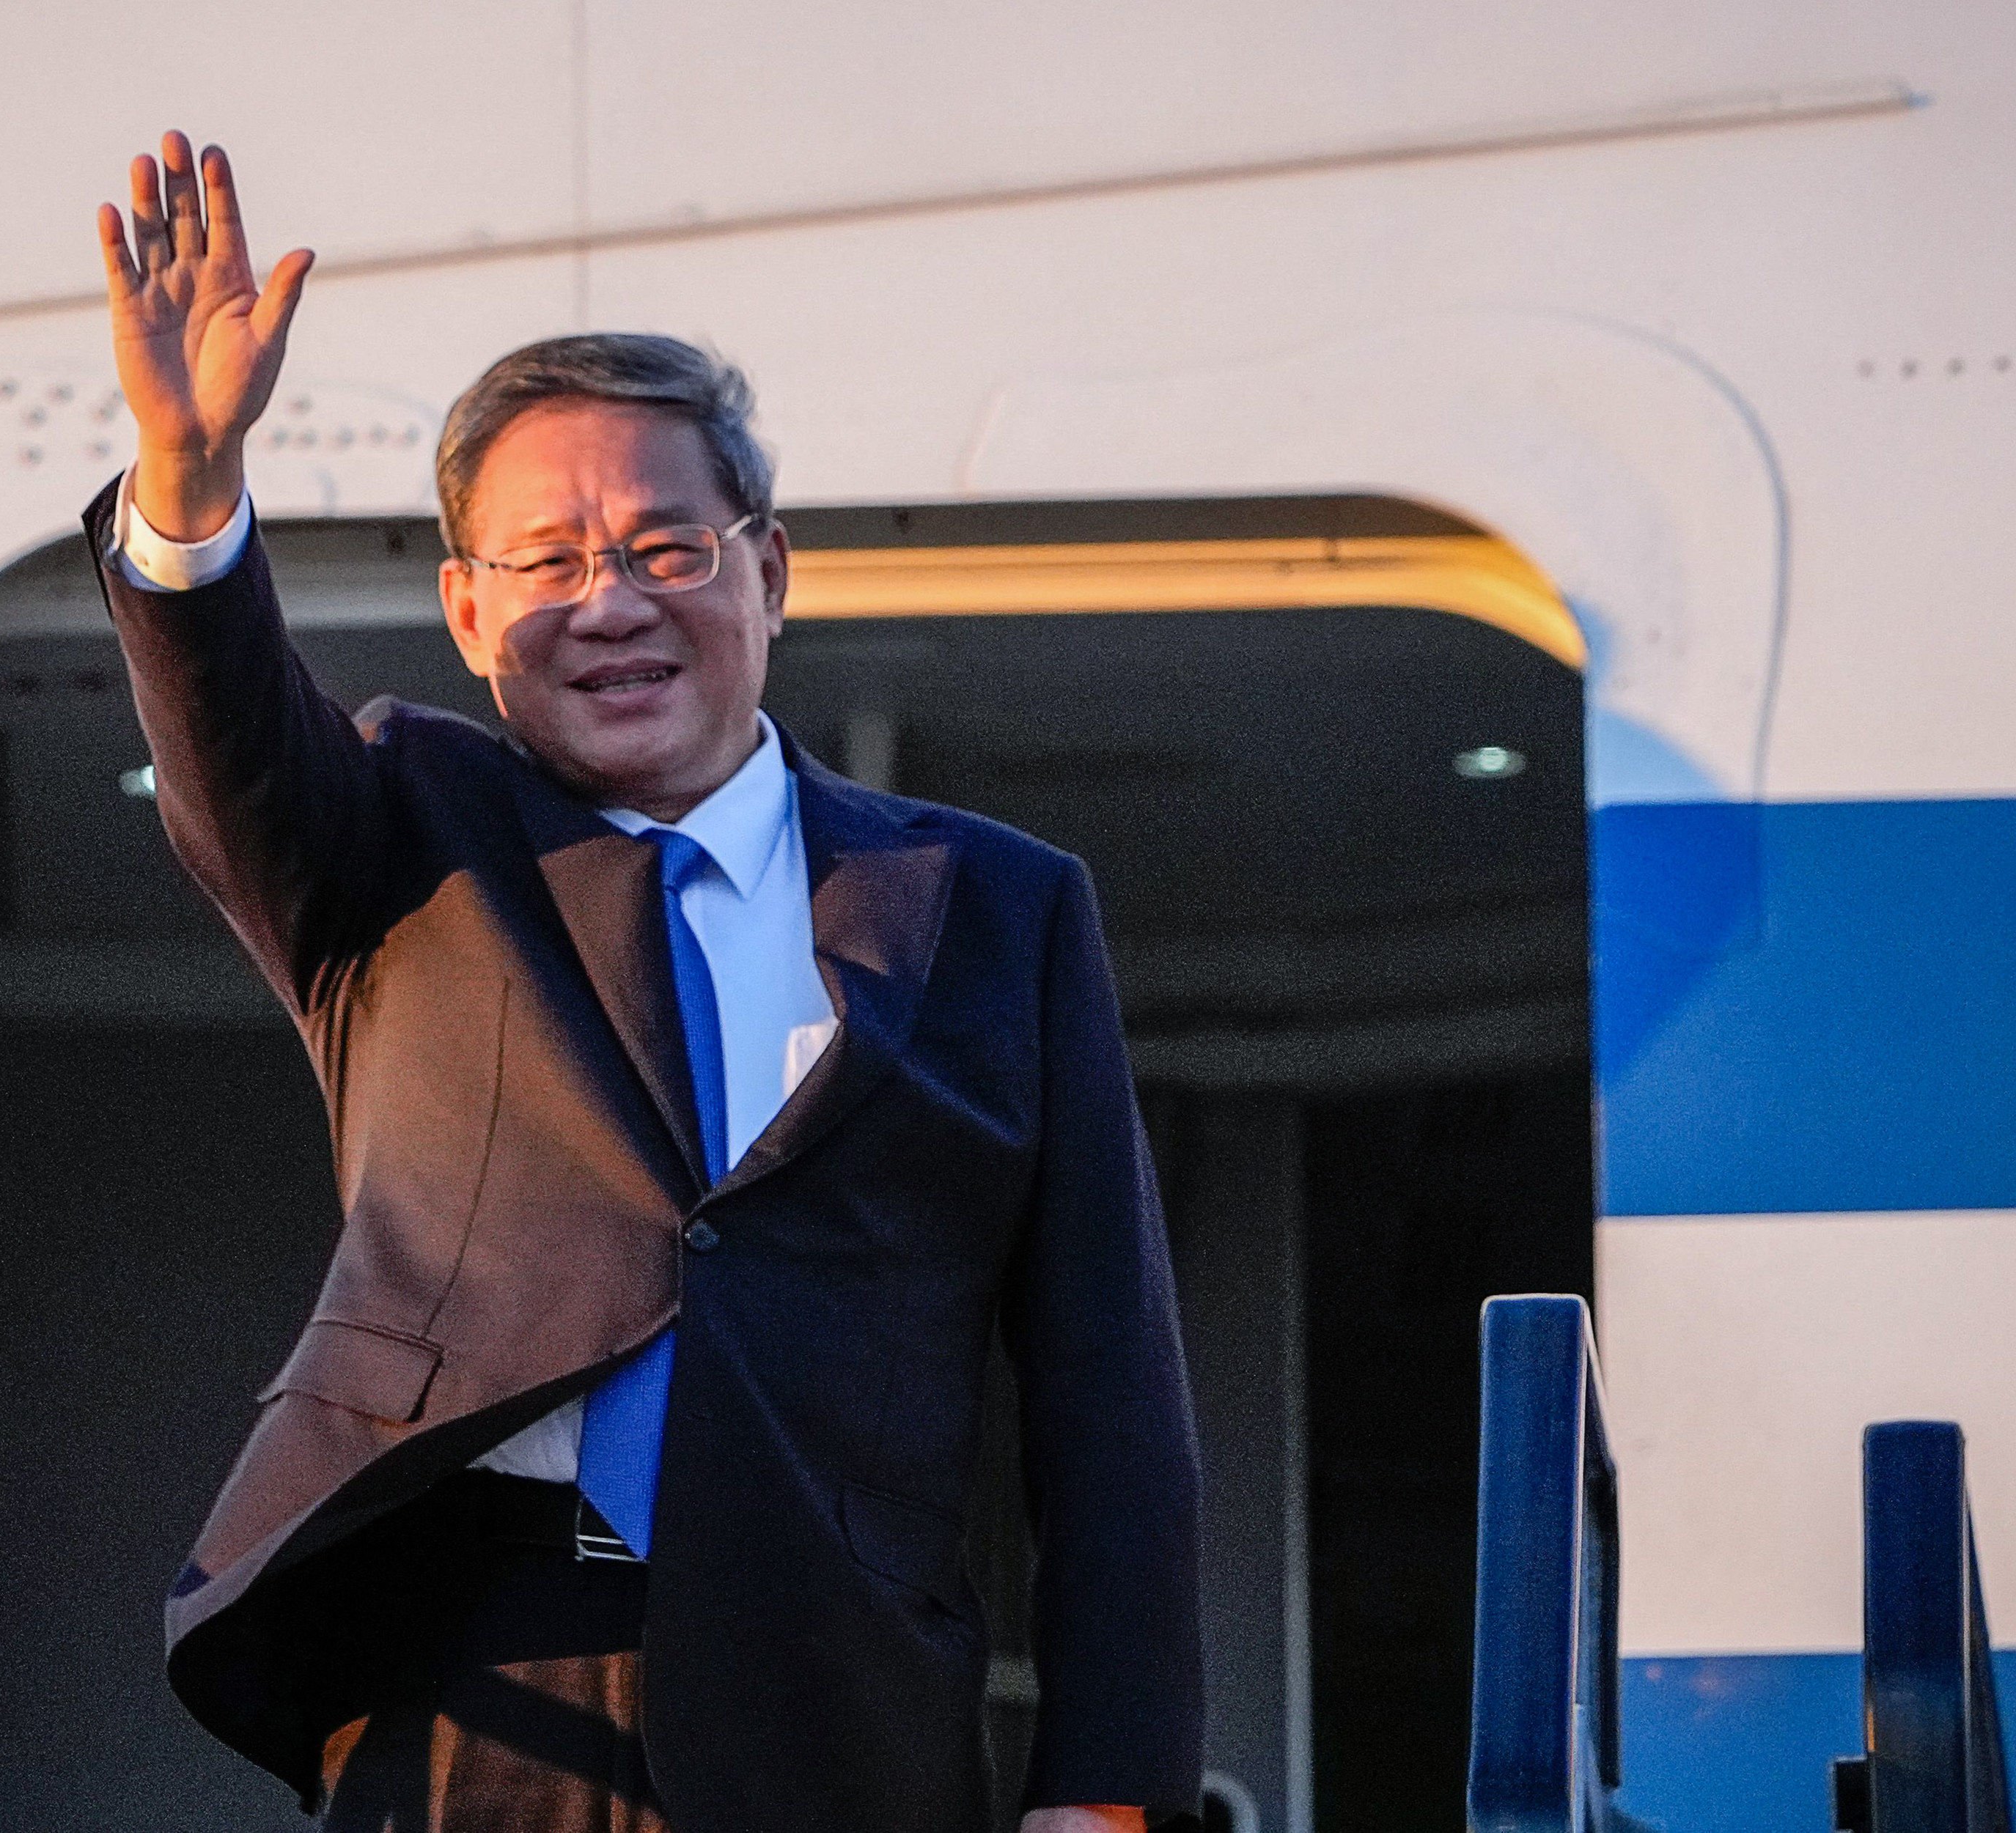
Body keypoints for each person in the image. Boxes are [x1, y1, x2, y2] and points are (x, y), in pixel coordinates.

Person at [86, 131, 1202, 1833]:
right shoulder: (394, 838)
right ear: (467, 613)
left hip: (844, 1695)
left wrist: (1105, 1789)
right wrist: (183, 479)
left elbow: (1104, 1388)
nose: (608, 602)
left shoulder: (995, 904)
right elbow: (228, 731)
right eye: (546, 562)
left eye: (666, 549)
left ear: (768, 571)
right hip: (480, 1684)